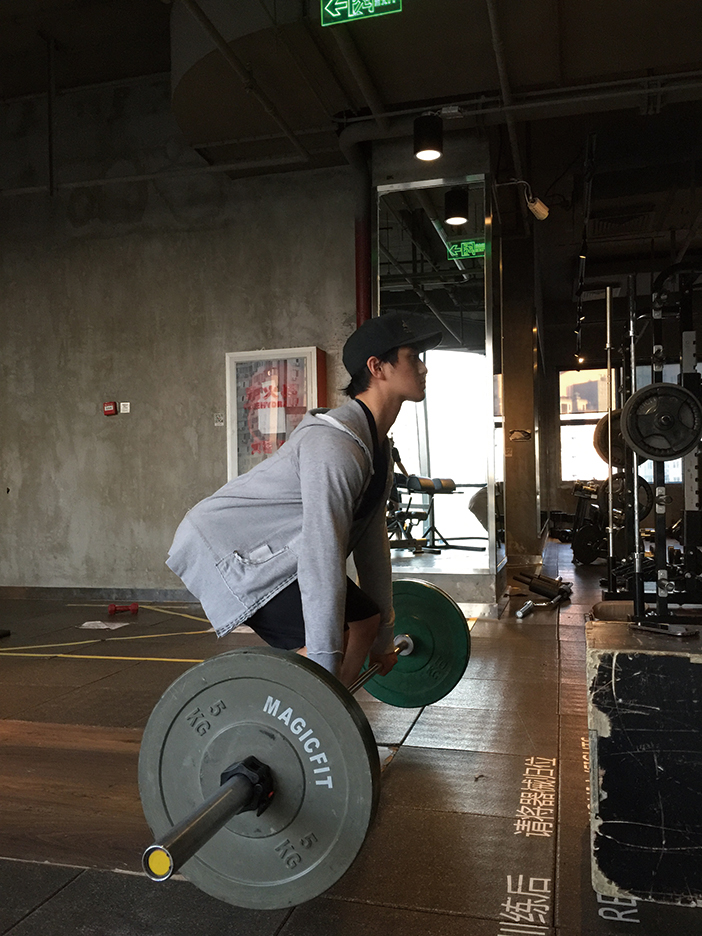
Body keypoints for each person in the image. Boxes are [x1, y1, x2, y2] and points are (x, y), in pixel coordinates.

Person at [166, 312, 442, 686]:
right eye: (413, 357)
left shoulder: (376, 449)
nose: (423, 368)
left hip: (277, 551)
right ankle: (291, 713)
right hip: (226, 548)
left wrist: (382, 641)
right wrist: (323, 668)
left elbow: (373, 550)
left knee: (365, 621)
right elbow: (322, 557)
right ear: (377, 367)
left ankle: (329, 709)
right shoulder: (334, 447)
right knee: (325, 646)